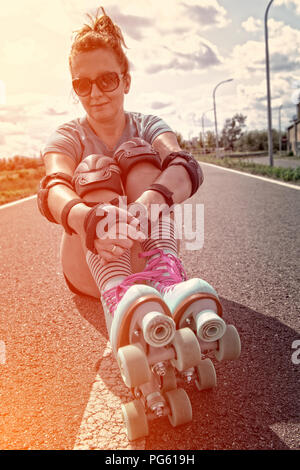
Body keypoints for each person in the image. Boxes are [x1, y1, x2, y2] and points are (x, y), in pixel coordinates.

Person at [38, 7, 227, 342]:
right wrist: (91, 219)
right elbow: (53, 187)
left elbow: (185, 166)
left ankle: (166, 281)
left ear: (126, 81)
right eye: (82, 85)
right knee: (95, 168)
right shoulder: (67, 136)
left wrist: (146, 204)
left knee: (140, 154)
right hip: (90, 268)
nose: (95, 94)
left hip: (148, 253)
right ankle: (115, 293)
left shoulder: (148, 124)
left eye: (107, 80)